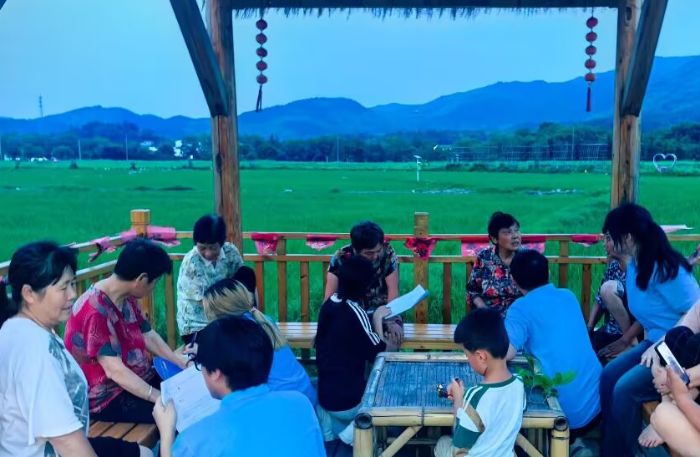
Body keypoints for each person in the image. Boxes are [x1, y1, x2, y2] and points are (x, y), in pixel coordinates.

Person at [0, 241, 151, 457]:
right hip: (54, 449)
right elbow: (67, 443)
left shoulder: (20, 327)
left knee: (143, 453)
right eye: (63, 287)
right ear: (29, 293)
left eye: (72, 283)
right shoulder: (35, 352)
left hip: (58, 442)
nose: (72, 294)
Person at [598, 204, 700, 457]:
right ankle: (610, 448)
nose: (607, 242)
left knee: (624, 389)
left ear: (628, 237)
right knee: (609, 376)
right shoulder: (636, 263)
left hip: (678, 352)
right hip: (652, 344)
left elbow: (694, 311)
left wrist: (662, 346)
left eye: (610, 236)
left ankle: (625, 453)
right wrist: (626, 340)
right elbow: (649, 313)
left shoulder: (666, 268)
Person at [152, 316, 326, 457]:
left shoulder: (194, 440)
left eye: (200, 366)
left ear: (216, 373)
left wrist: (166, 434)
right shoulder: (301, 404)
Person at [64, 239, 187, 424]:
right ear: (141, 279)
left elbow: (148, 335)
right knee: (176, 413)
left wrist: (179, 362)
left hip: (134, 378)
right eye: (154, 282)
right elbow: (114, 371)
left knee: (185, 394)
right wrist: (158, 397)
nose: (153, 287)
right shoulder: (94, 310)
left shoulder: (125, 297)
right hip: (106, 397)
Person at [504, 249, 602, 456]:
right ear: (548, 273)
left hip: (561, 413)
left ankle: (558, 448)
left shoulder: (520, 309)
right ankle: (578, 446)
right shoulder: (568, 296)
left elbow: (505, 353)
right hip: (596, 403)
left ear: (514, 281)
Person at [316, 255, 400, 445]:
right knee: (384, 389)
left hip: (325, 397)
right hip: (349, 403)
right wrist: (378, 318)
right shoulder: (355, 312)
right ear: (365, 286)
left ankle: (329, 427)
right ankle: (355, 429)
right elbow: (379, 354)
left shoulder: (328, 305)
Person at [202, 275, 317, 405]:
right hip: (305, 397)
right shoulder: (262, 319)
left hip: (285, 405)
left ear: (218, 315)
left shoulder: (240, 337)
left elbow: (230, 386)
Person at [434, 308, 525, 457]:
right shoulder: (519, 385)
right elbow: (496, 403)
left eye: (466, 355)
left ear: (481, 357)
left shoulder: (475, 397)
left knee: (443, 443)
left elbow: (460, 442)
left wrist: (458, 402)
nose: (467, 359)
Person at [324, 221, 402, 340]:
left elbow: (393, 290)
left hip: (384, 311)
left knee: (393, 337)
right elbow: (329, 297)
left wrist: (391, 320)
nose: (375, 256)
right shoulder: (341, 257)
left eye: (378, 251)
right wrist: (326, 323)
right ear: (355, 249)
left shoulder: (387, 253)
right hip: (351, 312)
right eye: (369, 253)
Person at [177, 215, 243, 345]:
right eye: (202, 248)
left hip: (228, 319)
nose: (208, 253)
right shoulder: (191, 263)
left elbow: (243, 281)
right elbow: (205, 303)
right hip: (197, 325)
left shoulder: (231, 253)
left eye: (213, 248)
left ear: (222, 242)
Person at [587, 233, 642, 359]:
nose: (604, 244)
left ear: (625, 240)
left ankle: (631, 343)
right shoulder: (614, 266)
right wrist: (589, 328)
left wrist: (627, 339)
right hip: (612, 330)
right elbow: (599, 300)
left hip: (634, 334)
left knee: (608, 288)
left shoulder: (641, 269)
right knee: (583, 350)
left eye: (608, 239)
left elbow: (647, 314)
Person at [466, 211, 523, 317]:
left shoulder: (528, 258)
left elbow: (538, 292)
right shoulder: (484, 257)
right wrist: (484, 309)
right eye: (508, 232)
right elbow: (472, 291)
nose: (515, 236)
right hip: (489, 318)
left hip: (520, 318)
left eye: (516, 230)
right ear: (494, 238)